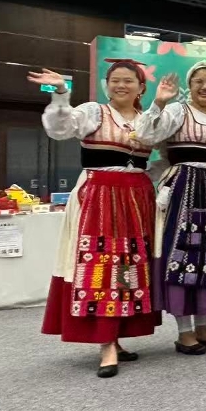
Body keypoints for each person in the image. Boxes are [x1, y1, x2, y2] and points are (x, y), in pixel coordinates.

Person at [31, 60, 161, 378]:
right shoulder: (93, 112)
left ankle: (117, 334)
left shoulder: (147, 121)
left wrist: (151, 179)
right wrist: (61, 93)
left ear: (141, 87)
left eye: (128, 80)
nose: (120, 85)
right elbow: (60, 129)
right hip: (100, 195)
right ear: (106, 85)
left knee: (130, 267)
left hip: (137, 198)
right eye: (114, 80)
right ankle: (106, 343)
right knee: (102, 264)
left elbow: (162, 159)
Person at [133, 62, 206, 355]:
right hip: (185, 188)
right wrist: (159, 102)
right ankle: (184, 331)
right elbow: (145, 135)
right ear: (190, 85)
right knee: (185, 255)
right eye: (199, 81)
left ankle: (203, 326)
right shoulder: (177, 111)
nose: (205, 87)